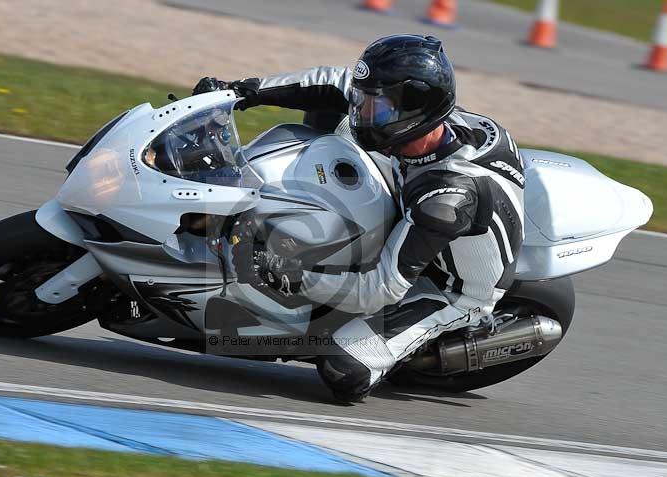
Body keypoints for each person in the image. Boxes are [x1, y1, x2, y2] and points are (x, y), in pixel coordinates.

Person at [193, 34, 525, 403]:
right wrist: (239, 92)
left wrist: (291, 275)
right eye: (366, 102)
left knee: (343, 369)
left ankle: (419, 344)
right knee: (327, 114)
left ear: (415, 111)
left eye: (377, 109)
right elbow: (334, 83)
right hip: (410, 199)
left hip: (446, 285)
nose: (363, 114)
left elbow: (381, 289)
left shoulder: (446, 198)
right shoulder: (430, 123)